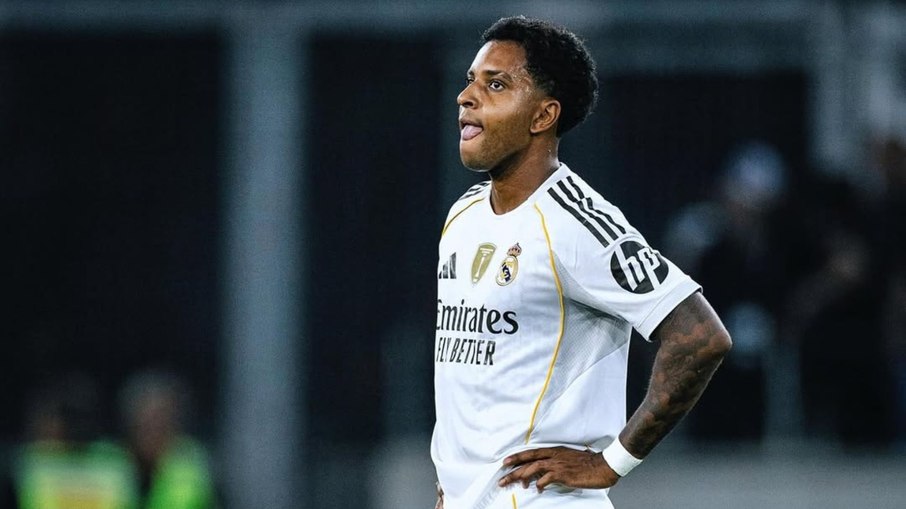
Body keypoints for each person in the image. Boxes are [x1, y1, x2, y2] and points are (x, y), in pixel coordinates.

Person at [431, 16, 732, 509]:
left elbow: (700, 337)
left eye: (496, 84)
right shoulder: (463, 214)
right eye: (470, 81)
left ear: (542, 115)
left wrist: (611, 462)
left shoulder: (576, 224)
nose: (467, 97)